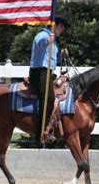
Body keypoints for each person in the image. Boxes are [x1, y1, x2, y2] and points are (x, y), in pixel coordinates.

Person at [29, 15, 69, 144]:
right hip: (39, 72)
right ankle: (41, 132)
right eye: (61, 27)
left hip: (48, 72)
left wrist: (60, 56)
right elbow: (40, 44)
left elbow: (51, 58)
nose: (62, 30)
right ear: (54, 25)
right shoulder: (43, 35)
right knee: (49, 98)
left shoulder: (54, 41)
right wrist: (47, 40)